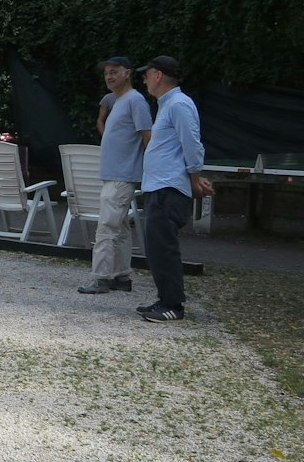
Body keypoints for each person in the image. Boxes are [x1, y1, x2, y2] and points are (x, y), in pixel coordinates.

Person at [136, 55, 214, 322]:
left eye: (146, 74)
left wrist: (195, 176)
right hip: (159, 185)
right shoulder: (167, 105)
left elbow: (191, 142)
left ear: (157, 75)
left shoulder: (179, 104)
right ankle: (164, 299)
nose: (144, 80)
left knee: (164, 246)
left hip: (168, 186)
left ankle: (173, 305)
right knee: (156, 246)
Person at [79, 56, 153, 294]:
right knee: (119, 228)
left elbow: (147, 137)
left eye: (114, 72)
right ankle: (121, 276)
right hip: (115, 173)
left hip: (122, 174)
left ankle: (100, 277)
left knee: (106, 227)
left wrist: (150, 169)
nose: (109, 77)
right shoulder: (117, 101)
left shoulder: (135, 101)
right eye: (107, 73)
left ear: (127, 73)